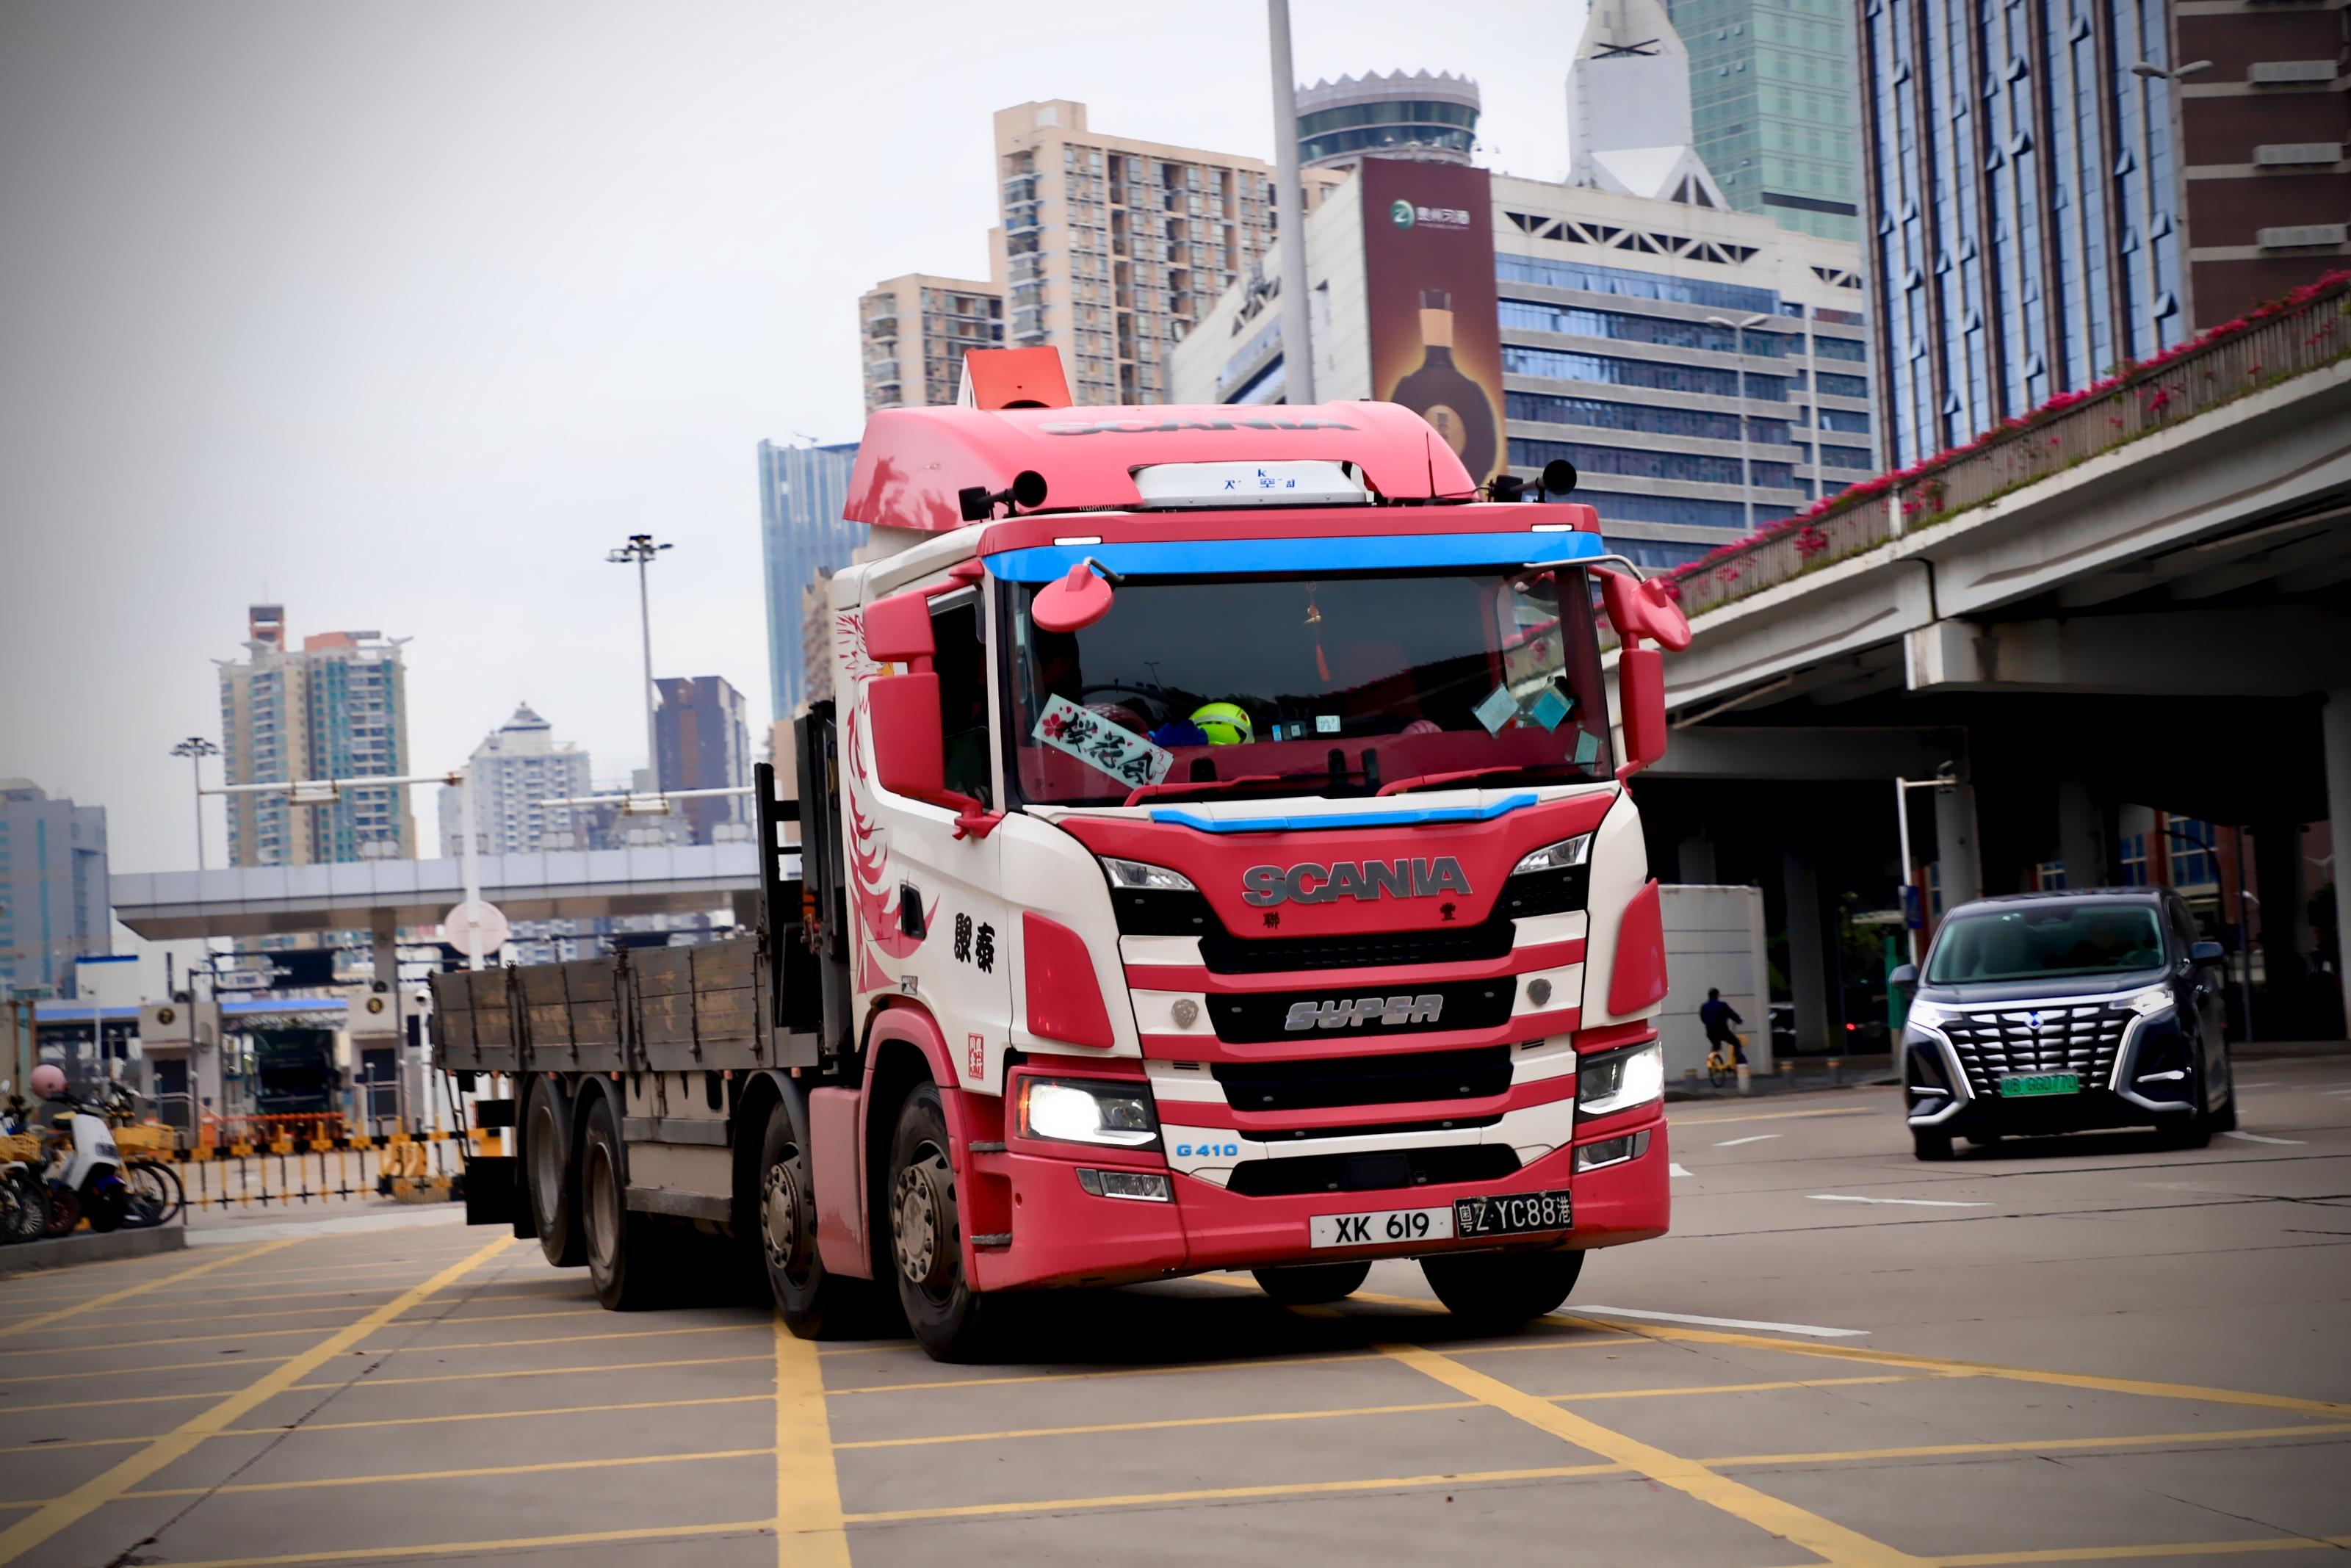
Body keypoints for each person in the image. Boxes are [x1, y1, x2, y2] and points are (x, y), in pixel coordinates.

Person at [1699, 989, 1746, 1066]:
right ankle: (1739, 1062)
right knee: (1736, 1042)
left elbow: (1703, 1019)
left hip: (1710, 1032)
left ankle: (1713, 1062)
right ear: (1717, 995)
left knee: (1716, 1045)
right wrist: (1739, 1021)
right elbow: (1732, 1014)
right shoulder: (1722, 1005)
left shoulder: (1704, 1007)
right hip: (1723, 1032)